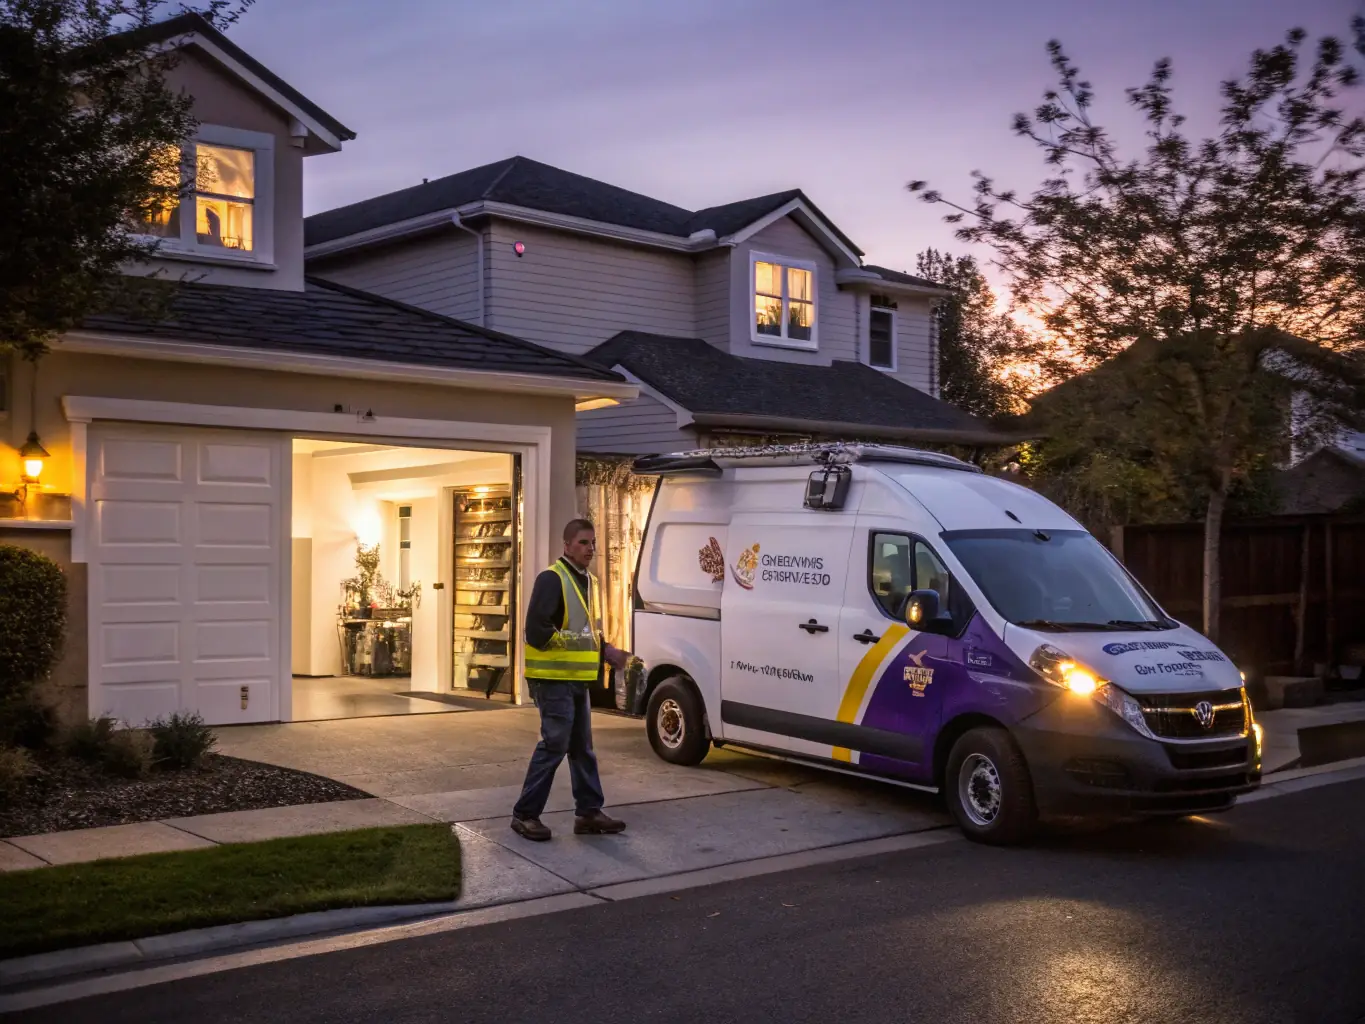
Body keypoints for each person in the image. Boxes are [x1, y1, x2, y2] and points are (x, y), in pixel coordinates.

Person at [510, 518, 630, 841]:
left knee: (581, 747)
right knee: (555, 745)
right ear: (567, 545)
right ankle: (525, 815)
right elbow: (536, 631)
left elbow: (585, 631)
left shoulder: (589, 581)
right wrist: (579, 646)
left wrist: (606, 651)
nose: (590, 549)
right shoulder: (552, 578)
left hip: (576, 679)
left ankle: (589, 813)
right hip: (552, 679)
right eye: (583, 542)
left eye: (593, 542)